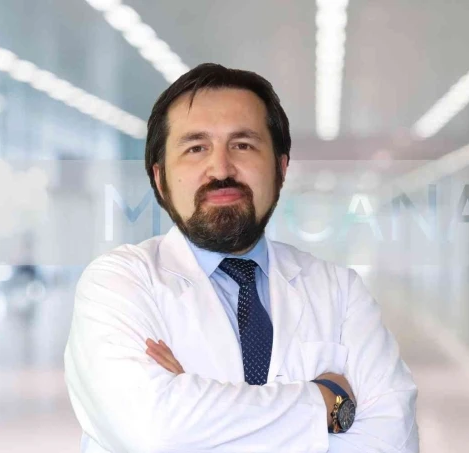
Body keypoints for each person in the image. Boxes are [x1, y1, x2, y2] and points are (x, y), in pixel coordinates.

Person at [64, 63, 418, 452]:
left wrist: (197, 412)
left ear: (281, 168)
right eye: (196, 148)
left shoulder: (341, 292)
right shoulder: (118, 284)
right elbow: (154, 431)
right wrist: (324, 402)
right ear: (160, 178)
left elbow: (392, 441)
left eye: (243, 145)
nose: (220, 169)